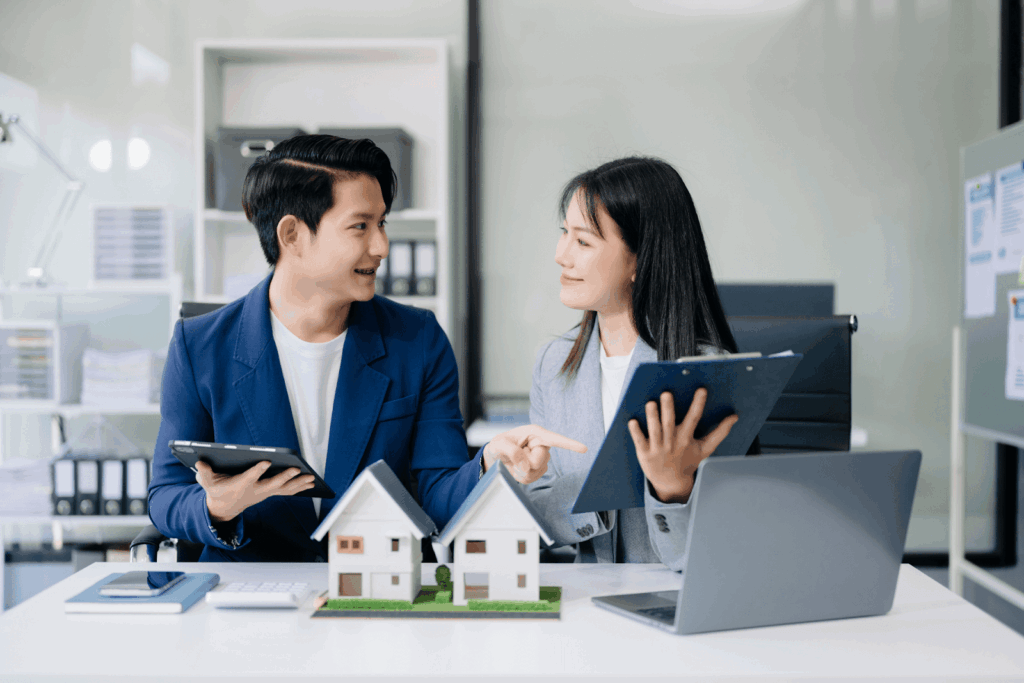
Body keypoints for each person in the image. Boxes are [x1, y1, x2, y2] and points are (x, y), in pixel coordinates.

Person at [148, 135, 527, 562]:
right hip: (253, 586)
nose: (382, 247)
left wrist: (487, 464)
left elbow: (438, 495)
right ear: (292, 235)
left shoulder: (417, 340)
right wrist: (217, 506)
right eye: (360, 226)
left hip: (379, 581)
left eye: (382, 224)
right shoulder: (199, 346)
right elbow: (165, 496)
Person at [482, 156, 742, 570]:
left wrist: (673, 490)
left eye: (583, 242)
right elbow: (537, 514)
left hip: (676, 598)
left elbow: (729, 543)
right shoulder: (553, 364)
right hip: (587, 599)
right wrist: (590, 493)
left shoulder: (705, 372)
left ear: (641, 258)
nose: (561, 255)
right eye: (564, 234)